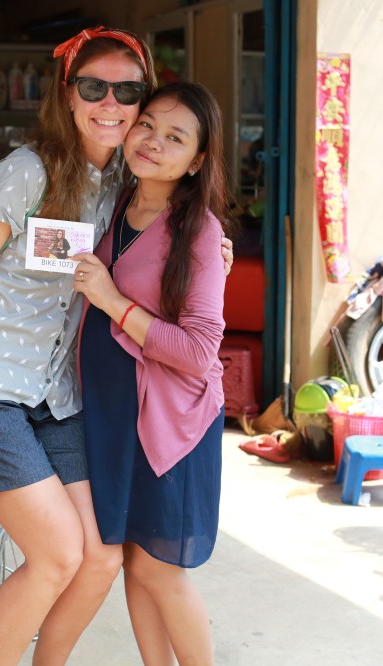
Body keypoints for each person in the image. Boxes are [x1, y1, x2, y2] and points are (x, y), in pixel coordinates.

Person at [0, 27, 159, 665]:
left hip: (56, 394)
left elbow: (175, 234)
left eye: (128, 91)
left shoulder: (128, 183)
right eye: (94, 87)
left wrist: (215, 251)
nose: (110, 104)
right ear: (68, 95)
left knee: (101, 556)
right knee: (57, 555)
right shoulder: (24, 174)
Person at [71, 82, 231, 666]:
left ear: (198, 160)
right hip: (116, 418)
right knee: (137, 563)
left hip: (170, 423)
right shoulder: (117, 203)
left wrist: (113, 302)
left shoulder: (200, 232)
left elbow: (198, 352)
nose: (153, 142)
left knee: (160, 570)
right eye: (148, 125)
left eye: (175, 137)